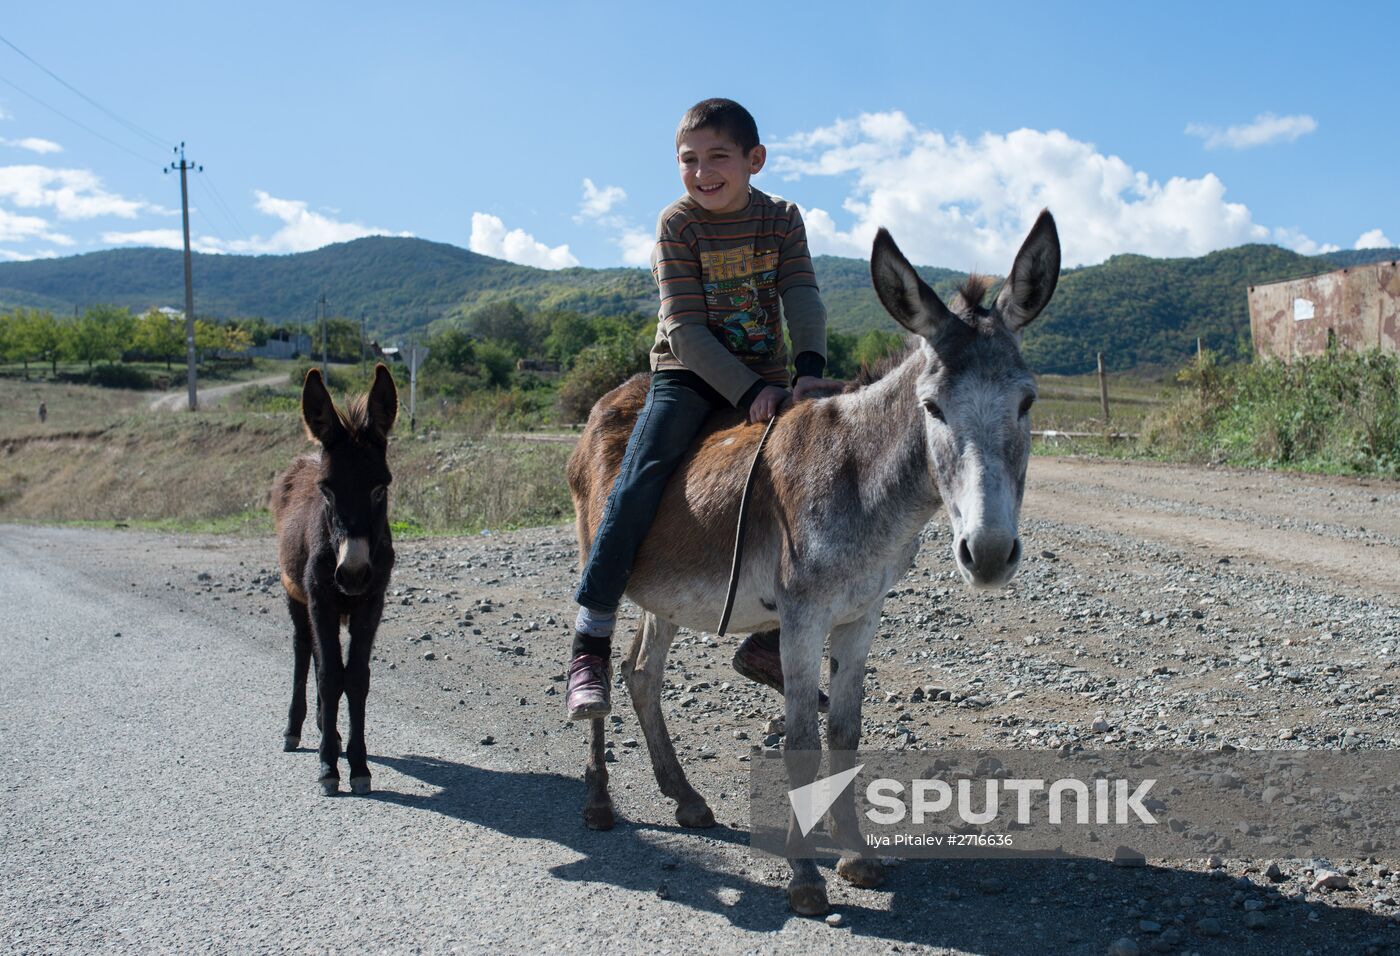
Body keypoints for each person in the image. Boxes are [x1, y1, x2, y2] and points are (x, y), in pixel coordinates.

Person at [567, 98, 835, 719]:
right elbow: (684, 328)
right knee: (637, 482)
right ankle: (592, 640)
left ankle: (770, 641)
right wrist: (747, 393)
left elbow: (803, 298)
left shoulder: (782, 219)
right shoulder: (678, 223)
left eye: (718, 157)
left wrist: (808, 375)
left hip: (770, 378)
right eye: (689, 160)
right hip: (687, 377)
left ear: (754, 160)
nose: (702, 171)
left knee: (827, 477)